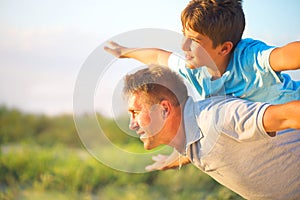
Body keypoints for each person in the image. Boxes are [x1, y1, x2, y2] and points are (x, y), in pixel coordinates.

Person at [104, 0, 300, 170]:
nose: (183, 46)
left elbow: (286, 55)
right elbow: (157, 56)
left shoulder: (249, 59)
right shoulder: (195, 70)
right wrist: (125, 52)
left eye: (195, 41)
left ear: (224, 48)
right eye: (184, 35)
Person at [123, 65, 300, 200]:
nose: (132, 124)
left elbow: (289, 115)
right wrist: (174, 160)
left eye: (135, 113)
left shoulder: (216, 118)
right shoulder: (187, 138)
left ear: (164, 109)